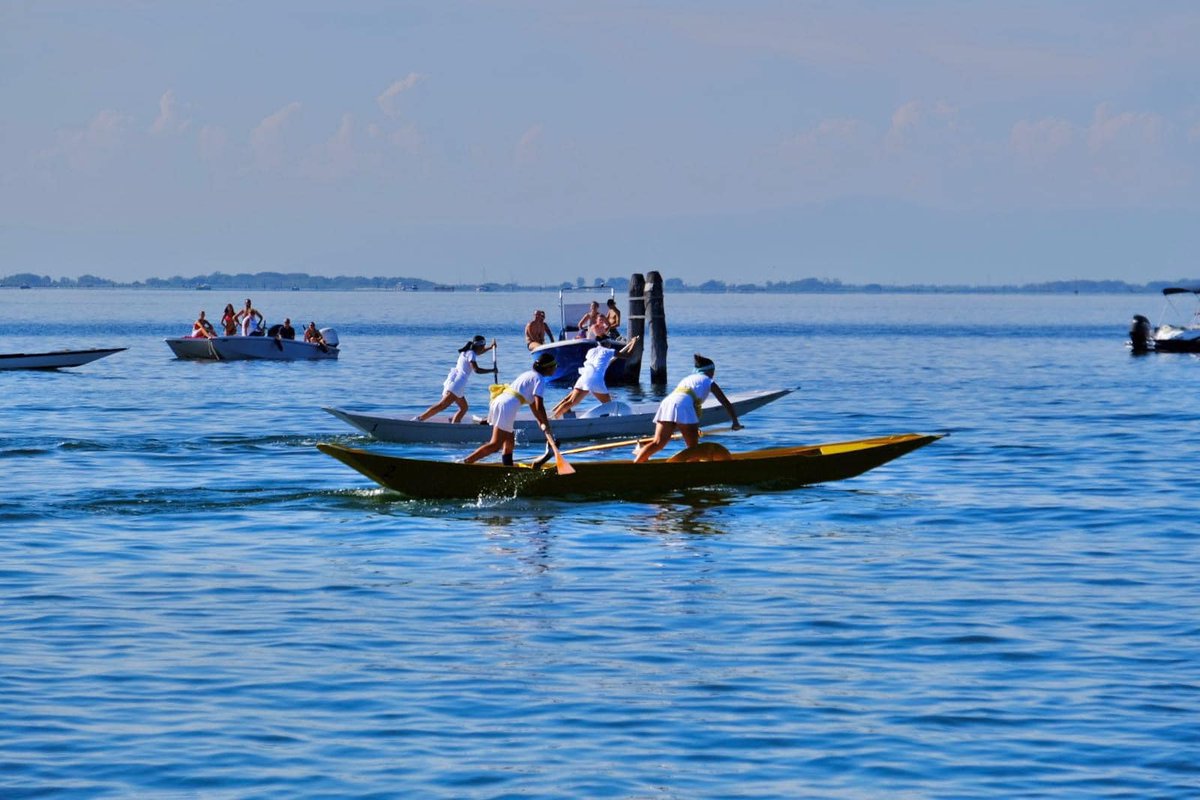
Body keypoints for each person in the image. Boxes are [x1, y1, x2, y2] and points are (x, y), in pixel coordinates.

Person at [633, 354, 743, 463]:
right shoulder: (709, 381)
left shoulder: (688, 379)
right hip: (683, 405)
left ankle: (635, 465)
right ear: (710, 371)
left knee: (658, 443)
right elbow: (725, 402)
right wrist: (735, 422)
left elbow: (682, 405)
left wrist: (693, 427)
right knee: (693, 448)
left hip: (667, 403)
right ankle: (692, 472)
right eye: (713, 372)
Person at [464, 351, 558, 465]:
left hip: (499, 401)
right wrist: (547, 425)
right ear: (548, 368)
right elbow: (539, 406)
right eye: (555, 366)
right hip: (506, 406)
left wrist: (544, 426)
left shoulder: (529, 374)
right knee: (496, 444)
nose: (555, 369)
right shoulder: (539, 379)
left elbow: (535, 410)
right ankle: (467, 462)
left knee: (509, 443)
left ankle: (508, 467)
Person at [550, 336, 639, 419]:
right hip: (595, 379)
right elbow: (628, 355)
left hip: (583, 377)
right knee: (609, 405)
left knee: (571, 402)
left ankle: (554, 418)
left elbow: (599, 361)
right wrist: (634, 342)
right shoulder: (609, 351)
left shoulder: (591, 351)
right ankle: (608, 421)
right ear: (608, 343)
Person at [417, 335, 497, 424]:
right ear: (479, 345)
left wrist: (490, 347)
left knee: (464, 408)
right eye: (483, 345)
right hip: (457, 384)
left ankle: (455, 424)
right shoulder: (471, 354)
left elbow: (479, 352)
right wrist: (492, 370)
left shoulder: (468, 352)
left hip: (456, 382)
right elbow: (476, 370)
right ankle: (419, 419)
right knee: (442, 405)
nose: (483, 347)